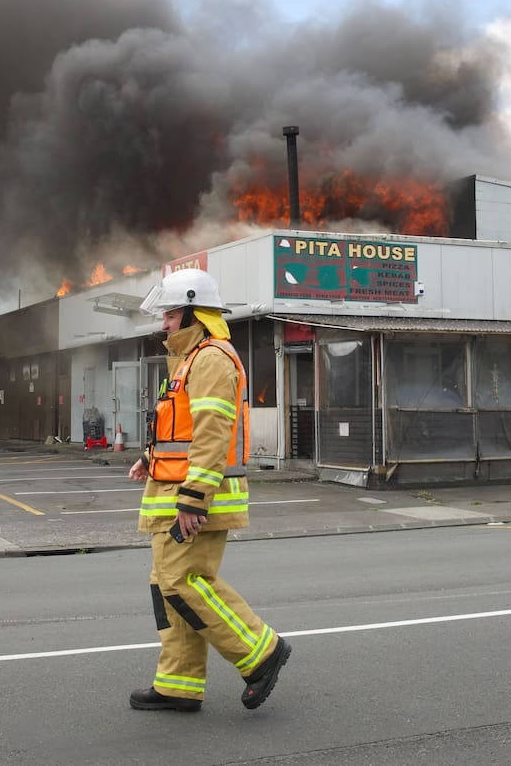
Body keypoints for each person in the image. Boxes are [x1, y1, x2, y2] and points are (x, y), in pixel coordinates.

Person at [126, 267, 291, 713]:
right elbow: (176, 429)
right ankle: (177, 684)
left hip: (195, 500)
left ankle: (261, 651)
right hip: (171, 494)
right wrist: (148, 458)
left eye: (170, 313)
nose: (163, 322)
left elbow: (213, 431)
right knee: (167, 587)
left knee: (185, 581)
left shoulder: (212, 358)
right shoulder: (188, 361)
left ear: (195, 312)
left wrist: (194, 498)